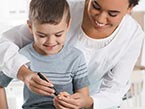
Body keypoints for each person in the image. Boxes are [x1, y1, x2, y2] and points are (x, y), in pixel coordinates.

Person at [0, 0, 144, 108]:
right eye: (95, 6)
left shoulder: (133, 36)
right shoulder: (60, 10)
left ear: (129, 8)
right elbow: (4, 44)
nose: (100, 19)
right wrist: (24, 73)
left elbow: (115, 88)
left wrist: (87, 101)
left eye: (113, 14)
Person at [0, 0, 92, 109]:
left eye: (58, 34)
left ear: (68, 25)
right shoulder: (22, 57)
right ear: (30, 27)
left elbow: (83, 97)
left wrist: (70, 102)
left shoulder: (76, 58)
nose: (50, 42)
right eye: (42, 35)